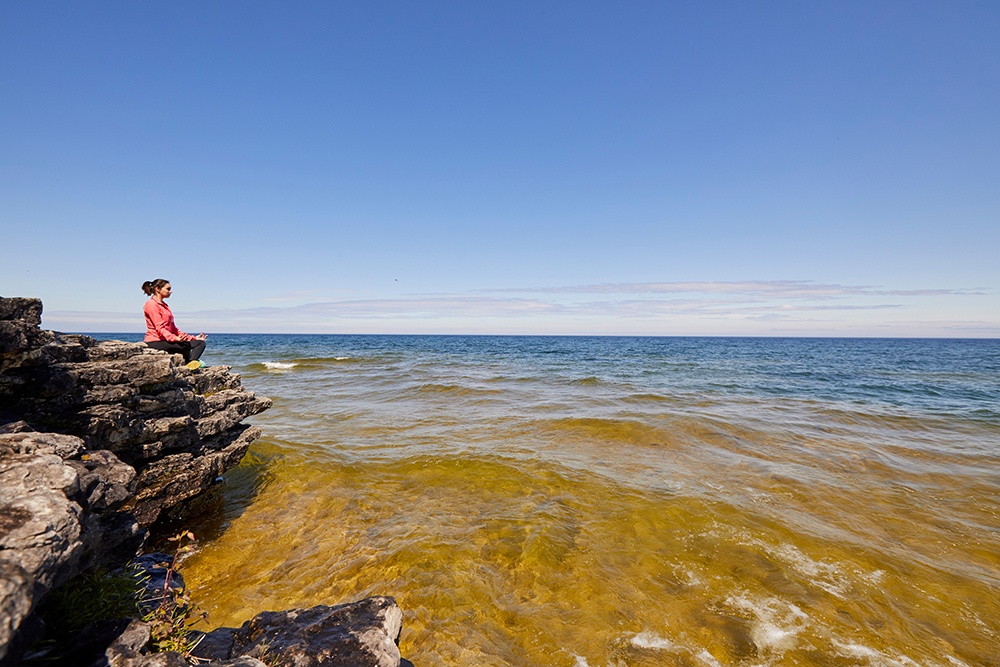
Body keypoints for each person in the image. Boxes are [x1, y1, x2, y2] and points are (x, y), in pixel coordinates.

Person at [142, 279, 207, 368]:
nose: (170, 291)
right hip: (155, 341)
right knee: (185, 345)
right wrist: (174, 338)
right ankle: (189, 363)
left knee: (200, 343)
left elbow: (173, 329)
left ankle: (192, 362)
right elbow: (160, 328)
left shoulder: (165, 306)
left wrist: (193, 338)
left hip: (168, 340)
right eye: (168, 289)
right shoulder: (151, 304)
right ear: (158, 289)